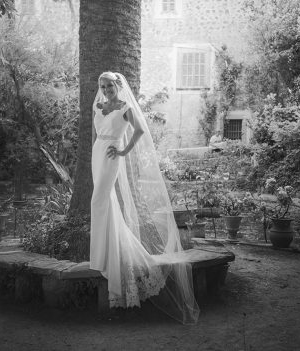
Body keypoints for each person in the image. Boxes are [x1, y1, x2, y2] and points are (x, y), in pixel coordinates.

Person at [90, 72, 199, 324]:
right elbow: (95, 136)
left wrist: (123, 151)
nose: (106, 89)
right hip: (98, 157)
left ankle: (107, 256)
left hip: (111, 156)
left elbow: (139, 130)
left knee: (99, 202)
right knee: (104, 204)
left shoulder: (125, 107)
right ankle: (104, 253)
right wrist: (93, 157)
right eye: (102, 86)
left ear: (118, 85)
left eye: (109, 85)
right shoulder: (98, 106)